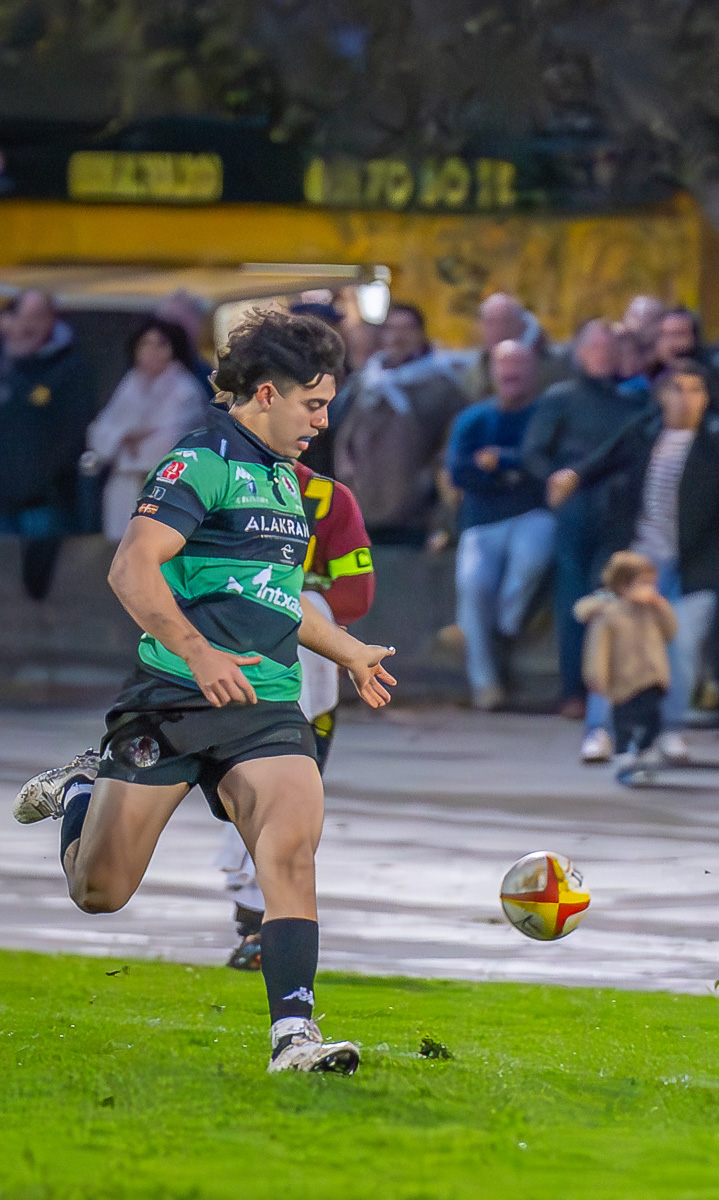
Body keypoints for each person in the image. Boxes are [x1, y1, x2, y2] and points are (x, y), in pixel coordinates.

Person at [10, 308, 397, 1074]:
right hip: (173, 698)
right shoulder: (200, 462)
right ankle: (84, 790)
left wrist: (347, 649)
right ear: (263, 393)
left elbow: (273, 595)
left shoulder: (288, 479)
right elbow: (132, 568)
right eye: (312, 405)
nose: (322, 422)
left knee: (290, 850)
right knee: (101, 890)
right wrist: (198, 650)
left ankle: (295, 1037)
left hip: (264, 705)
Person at [548, 359, 719, 762]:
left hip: (694, 562)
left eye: (696, 390)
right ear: (662, 395)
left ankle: (668, 729)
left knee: (680, 650)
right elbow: (602, 459)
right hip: (638, 561)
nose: (687, 399)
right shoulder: (644, 432)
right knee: (614, 645)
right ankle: (601, 730)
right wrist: (572, 477)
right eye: (677, 390)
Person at [215, 461, 375, 970]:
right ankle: (257, 923)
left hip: (307, 675)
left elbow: (357, 593)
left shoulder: (327, 499)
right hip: (221, 664)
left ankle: (258, 927)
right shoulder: (208, 480)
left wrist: (285, 603)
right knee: (244, 794)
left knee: (288, 799)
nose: (316, 420)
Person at [526, 318, 658, 721]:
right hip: (577, 509)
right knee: (574, 598)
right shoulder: (561, 398)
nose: (607, 355)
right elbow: (535, 451)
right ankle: (574, 690)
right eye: (598, 347)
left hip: (619, 509)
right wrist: (554, 481)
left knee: (611, 596)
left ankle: (609, 690)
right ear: (581, 353)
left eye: (612, 348)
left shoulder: (635, 404)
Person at [447, 340, 557, 711]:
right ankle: (486, 684)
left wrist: (502, 463)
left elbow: (545, 467)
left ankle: (504, 631)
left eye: (519, 364)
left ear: (534, 370)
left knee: (531, 561)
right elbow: (459, 471)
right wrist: (514, 472)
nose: (511, 372)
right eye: (503, 364)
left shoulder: (546, 413)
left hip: (534, 514)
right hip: (482, 521)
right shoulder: (474, 418)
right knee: (473, 586)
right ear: (492, 371)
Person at [332, 303, 468, 546]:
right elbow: (346, 439)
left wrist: (439, 507)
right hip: (364, 507)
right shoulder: (367, 381)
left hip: (416, 513)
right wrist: (349, 480)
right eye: (391, 329)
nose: (397, 336)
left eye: (406, 329)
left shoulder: (442, 384)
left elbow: (450, 449)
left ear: (420, 333)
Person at [0, 289, 96, 600]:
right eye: (22, 317)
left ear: (51, 321)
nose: (27, 326)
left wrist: (41, 479)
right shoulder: (7, 364)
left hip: (46, 497)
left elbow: (74, 433)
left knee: (39, 582)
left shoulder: (69, 369)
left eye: (36, 318)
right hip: (4, 496)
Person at [83, 317, 212, 541]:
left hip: (165, 488)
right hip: (123, 489)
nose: (151, 351)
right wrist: (125, 436)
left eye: (160, 344)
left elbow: (172, 442)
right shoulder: (129, 383)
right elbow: (98, 434)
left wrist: (126, 443)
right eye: (145, 343)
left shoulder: (185, 389)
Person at [575, 551, 677, 773]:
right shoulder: (608, 616)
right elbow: (598, 651)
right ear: (623, 586)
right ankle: (623, 754)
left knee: (654, 719)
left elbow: (670, 632)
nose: (650, 590)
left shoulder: (651, 611)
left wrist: (662, 607)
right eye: (643, 584)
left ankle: (645, 749)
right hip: (623, 681)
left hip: (652, 678)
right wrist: (597, 677)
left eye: (652, 584)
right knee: (624, 723)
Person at [456, 292, 572, 405]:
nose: (499, 330)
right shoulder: (471, 376)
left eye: (506, 321)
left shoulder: (554, 369)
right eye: (490, 322)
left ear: (522, 325)